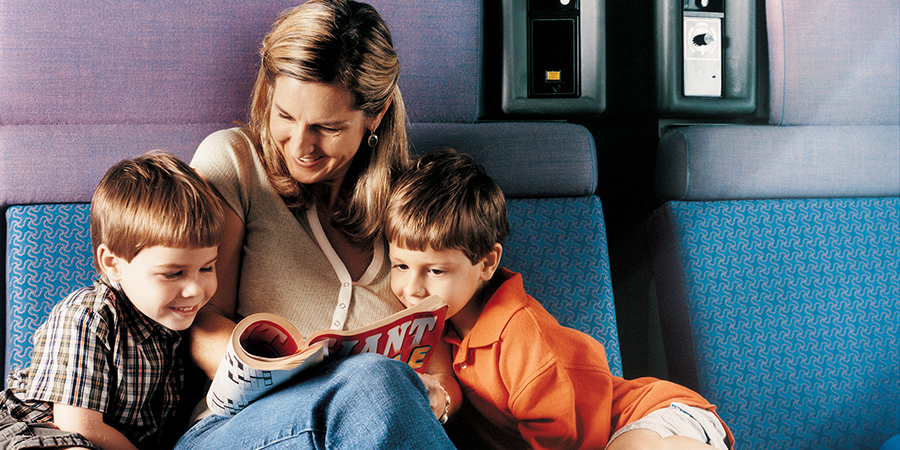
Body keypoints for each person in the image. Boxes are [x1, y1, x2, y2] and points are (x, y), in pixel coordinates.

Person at [177, 1, 458, 448]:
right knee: (371, 381)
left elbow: (438, 362)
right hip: (232, 430)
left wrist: (435, 398)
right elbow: (202, 322)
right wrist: (299, 373)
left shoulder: (412, 205)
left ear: (375, 115)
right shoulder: (234, 163)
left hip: (371, 429)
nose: (300, 145)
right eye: (286, 116)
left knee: (378, 385)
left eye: (327, 127)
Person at [385, 148, 736, 450]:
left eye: (435, 272)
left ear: (487, 263)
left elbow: (565, 441)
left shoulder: (521, 338)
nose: (413, 288)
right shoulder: (438, 329)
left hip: (655, 416)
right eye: (401, 265)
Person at [0, 152, 225, 450]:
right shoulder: (89, 316)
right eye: (173, 273)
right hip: (37, 431)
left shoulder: (174, 323)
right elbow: (77, 425)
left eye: (207, 267)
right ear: (113, 263)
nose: (196, 289)